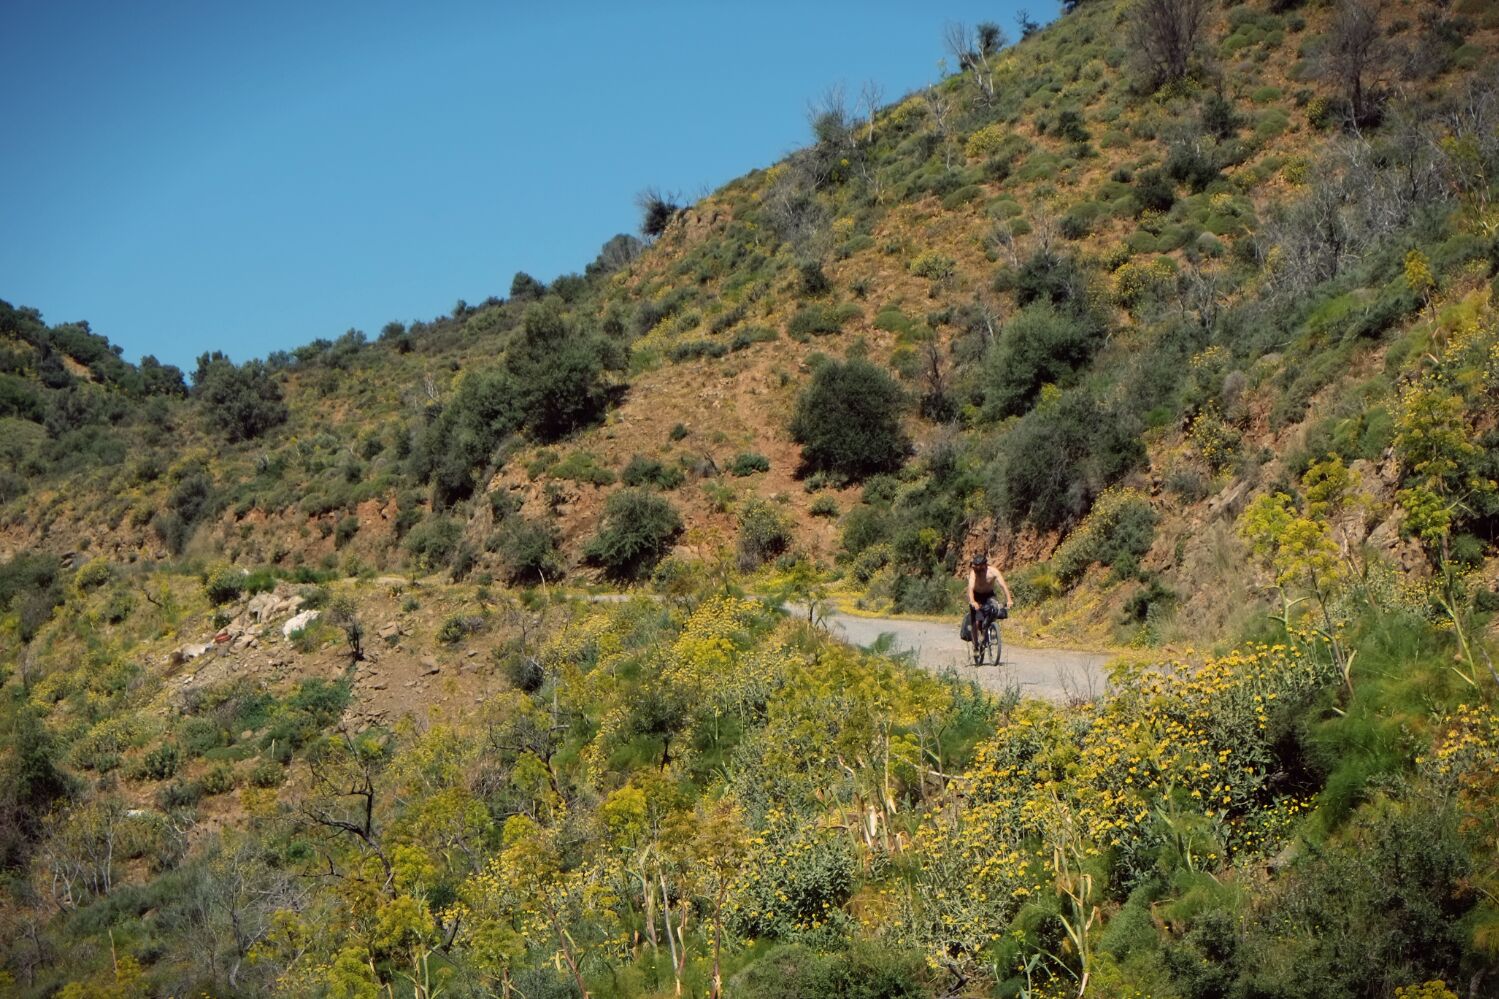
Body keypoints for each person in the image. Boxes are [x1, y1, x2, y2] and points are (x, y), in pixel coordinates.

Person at [960, 553, 1013, 642]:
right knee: (976, 620)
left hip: (989, 595)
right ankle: (976, 645)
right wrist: (973, 601)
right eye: (976, 567)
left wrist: (1009, 599)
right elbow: (970, 588)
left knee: (995, 609)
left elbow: (1003, 586)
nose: (978, 570)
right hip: (976, 596)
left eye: (980, 567)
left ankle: (987, 628)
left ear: (985, 565)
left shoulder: (993, 572)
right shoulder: (973, 573)